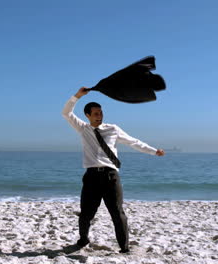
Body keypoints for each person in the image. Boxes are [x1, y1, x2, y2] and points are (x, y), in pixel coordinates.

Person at [62, 87, 165, 253]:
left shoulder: (113, 129)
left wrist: (154, 151)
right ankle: (82, 240)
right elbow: (66, 113)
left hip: (111, 176)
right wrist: (77, 96)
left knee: (118, 213)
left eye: (101, 112)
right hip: (91, 177)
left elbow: (134, 142)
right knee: (86, 214)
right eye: (95, 113)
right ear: (87, 115)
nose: (99, 115)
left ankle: (124, 248)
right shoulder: (83, 128)